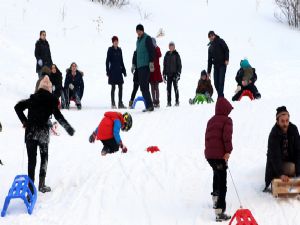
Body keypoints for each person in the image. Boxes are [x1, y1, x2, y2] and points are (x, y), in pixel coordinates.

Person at [14, 76, 75, 194]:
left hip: (31, 133)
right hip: (42, 133)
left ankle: (30, 189)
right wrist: (68, 128)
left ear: (40, 87)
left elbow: (17, 107)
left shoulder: (33, 98)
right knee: (44, 158)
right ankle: (41, 185)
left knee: (31, 160)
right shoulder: (52, 99)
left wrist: (25, 121)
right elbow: (58, 116)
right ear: (49, 88)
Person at [204, 97, 233, 222]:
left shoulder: (211, 120)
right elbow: (227, 137)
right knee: (223, 183)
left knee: (216, 174)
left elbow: (207, 137)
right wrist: (228, 151)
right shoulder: (227, 120)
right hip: (220, 156)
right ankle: (220, 211)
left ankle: (215, 198)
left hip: (210, 156)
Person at [264, 106, 300, 191]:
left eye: (287, 121)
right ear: (277, 121)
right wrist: (280, 174)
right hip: (278, 164)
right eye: (282, 121)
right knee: (292, 167)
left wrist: (299, 174)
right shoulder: (274, 134)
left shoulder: (293, 129)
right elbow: (274, 156)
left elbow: (298, 151)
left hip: (290, 159)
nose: (285, 124)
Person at [135, 24, 155, 112]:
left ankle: (150, 105)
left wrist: (151, 62)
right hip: (140, 66)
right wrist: (135, 65)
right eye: (137, 31)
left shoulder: (147, 38)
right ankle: (148, 105)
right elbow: (137, 53)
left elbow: (152, 50)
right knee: (143, 86)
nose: (138, 32)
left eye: (139, 31)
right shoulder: (138, 41)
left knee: (144, 86)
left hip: (146, 66)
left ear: (142, 30)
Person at [106, 36, 127, 109]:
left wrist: (124, 70)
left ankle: (120, 103)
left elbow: (121, 61)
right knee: (113, 87)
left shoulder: (119, 50)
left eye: (117, 41)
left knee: (121, 86)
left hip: (119, 71)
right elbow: (107, 61)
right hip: (112, 71)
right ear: (113, 42)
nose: (116, 42)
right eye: (115, 41)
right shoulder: (110, 49)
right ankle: (113, 103)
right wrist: (107, 71)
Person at [207, 31, 229, 98]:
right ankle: (221, 96)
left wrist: (227, 59)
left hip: (222, 65)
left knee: (221, 82)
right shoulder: (210, 47)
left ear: (214, 35)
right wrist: (208, 72)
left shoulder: (220, 41)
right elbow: (209, 60)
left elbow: (226, 50)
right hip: (216, 66)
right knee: (216, 83)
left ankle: (220, 98)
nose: (211, 37)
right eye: (209, 36)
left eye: (212, 35)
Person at [163, 41, 182, 106]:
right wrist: (164, 74)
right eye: (170, 46)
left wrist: (178, 74)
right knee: (168, 89)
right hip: (168, 74)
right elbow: (164, 65)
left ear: (174, 47)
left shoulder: (176, 54)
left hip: (175, 74)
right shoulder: (166, 55)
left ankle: (177, 101)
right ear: (169, 47)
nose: (171, 47)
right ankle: (169, 102)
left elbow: (179, 65)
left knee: (175, 88)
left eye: (172, 46)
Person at [150, 38, 163, 108]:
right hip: (151, 70)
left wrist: (156, 47)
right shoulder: (149, 49)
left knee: (156, 87)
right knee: (152, 87)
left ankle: (157, 101)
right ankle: (153, 100)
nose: (152, 44)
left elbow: (160, 55)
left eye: (153, 43)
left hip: (157, 70)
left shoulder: (157, 48)